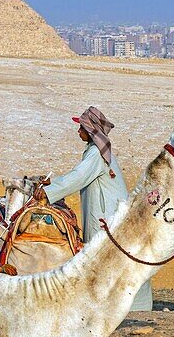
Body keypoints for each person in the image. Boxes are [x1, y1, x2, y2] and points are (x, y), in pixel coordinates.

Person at [41, 106, 153, 311]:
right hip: (107, 213)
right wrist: (53, 185)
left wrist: (48, 193)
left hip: (104, 216)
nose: (78, 132)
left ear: (89, 129)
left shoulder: (95, 154)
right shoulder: (96, 151)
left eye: (81, 127)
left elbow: (78, 176)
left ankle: (123, 307)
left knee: (107, 258)